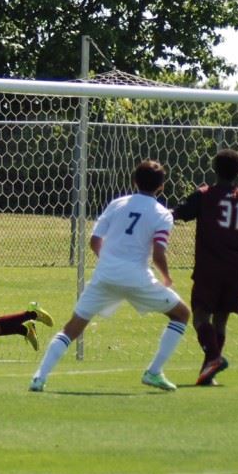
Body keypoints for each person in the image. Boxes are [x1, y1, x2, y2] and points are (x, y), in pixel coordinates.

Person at [30, 160, 191, 393]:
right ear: (162, 187)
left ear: (134, 181)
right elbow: (158, 252)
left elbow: (95, 241)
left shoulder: (117, 204)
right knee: (181, 314)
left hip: (105, 276)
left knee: (72, 328)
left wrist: (109, 262)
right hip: (139, 279)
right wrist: (166, 276)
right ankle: (154, 372)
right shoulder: (163, 214)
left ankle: (39, 378)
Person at [173, 148, 238, 386]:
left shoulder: (204, 195)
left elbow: (179, 213)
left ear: (214, 169)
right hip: (235, 268)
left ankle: (214, 357)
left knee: (200, 317)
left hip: (209, 267)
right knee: (221, 320)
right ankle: (208, 373)